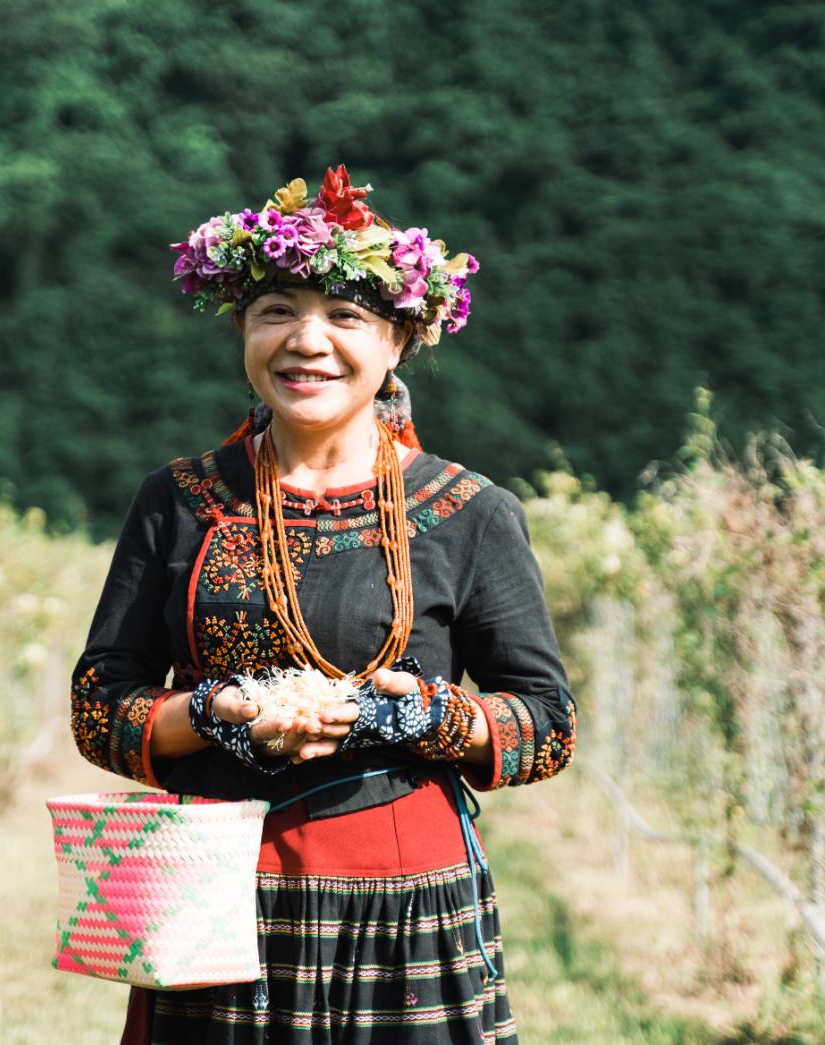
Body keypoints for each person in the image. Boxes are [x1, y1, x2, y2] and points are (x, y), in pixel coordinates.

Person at [70, 165, 577, 1044]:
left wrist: (413, 710)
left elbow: (547, 723)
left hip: (405, 900)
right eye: (276, 312)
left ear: (398, 343)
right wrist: (213, 714)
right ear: (241, 329)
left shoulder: (469, 511)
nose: (307, 340)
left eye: (344, 316)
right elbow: (97, 702)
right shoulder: (180, 497)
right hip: (213, 896)